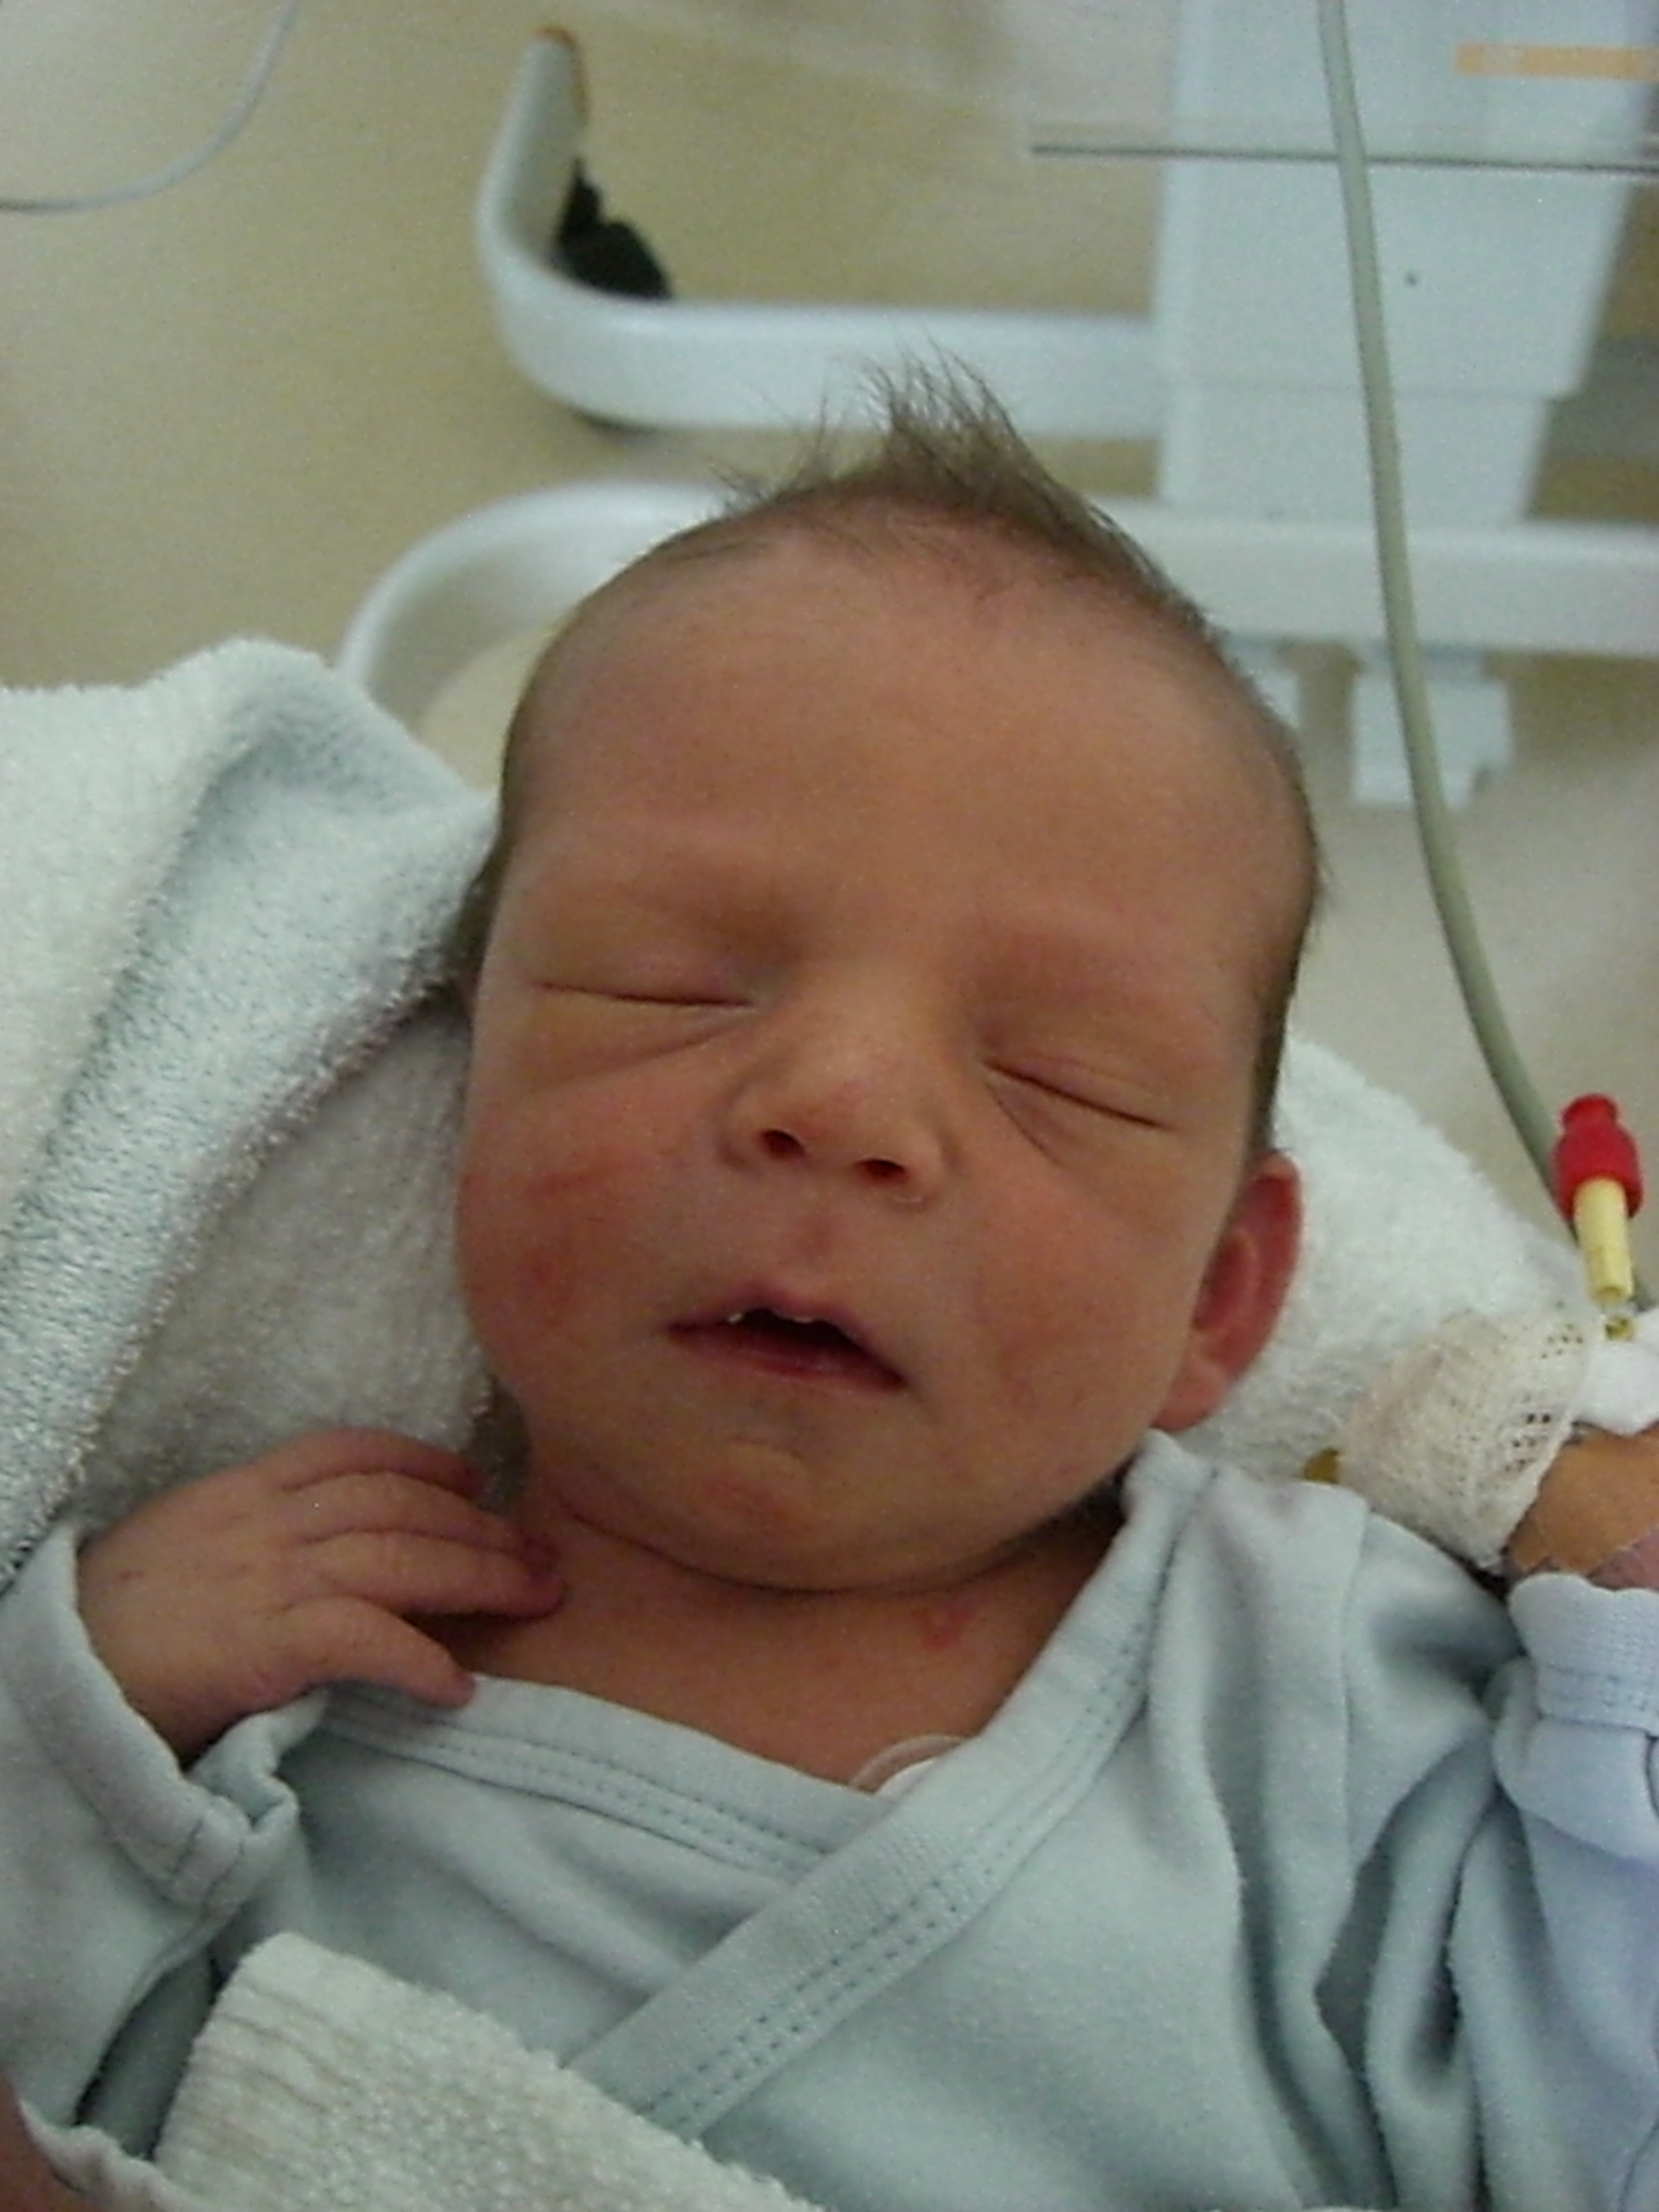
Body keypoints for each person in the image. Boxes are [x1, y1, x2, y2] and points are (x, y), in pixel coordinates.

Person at [2, 376, 1657, 2212]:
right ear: (463, 1081)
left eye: (1058, 1072)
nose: (844, 1103)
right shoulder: (246, 1688)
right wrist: (70, 1722)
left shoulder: (1309, 1677)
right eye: (675, 982)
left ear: (1221, 1292)